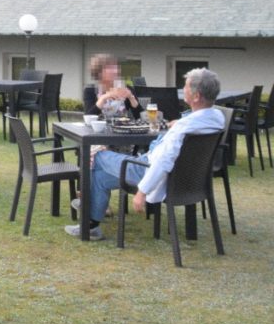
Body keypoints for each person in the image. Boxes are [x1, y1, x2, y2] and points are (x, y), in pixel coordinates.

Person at [66, 68, 225, 241]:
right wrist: (179, 122)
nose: (183, 89)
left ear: (196, 96)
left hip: (147, 170)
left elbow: (163, 161)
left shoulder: (183, 127)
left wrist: (142, 192)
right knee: (99, 178)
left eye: (186, 86)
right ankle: (91, 227)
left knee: (95, 154)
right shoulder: (216, 118)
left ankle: (84, 200)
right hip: (184, 179)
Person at [83, 53, 141, 120]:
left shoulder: (126, 89)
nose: (115, 71)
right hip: (99, 126)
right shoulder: (90, 90)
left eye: (115, 67)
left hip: (122, 126)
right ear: (99, 73)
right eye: (109, 68)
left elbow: (140, 116)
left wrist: (131, 98)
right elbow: (88, 118)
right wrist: (103, 98)